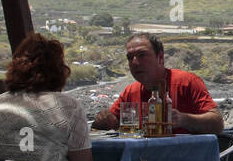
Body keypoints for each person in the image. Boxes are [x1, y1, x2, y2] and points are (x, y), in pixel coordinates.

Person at [93, 33, 223, 134]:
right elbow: (112, 121)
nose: (134, 62)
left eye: (141, 55)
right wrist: (105, 119)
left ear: (160, 57)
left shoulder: (187, 82)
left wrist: (183, 119)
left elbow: (217, 123)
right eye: (129, 57)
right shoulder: (131, 91)